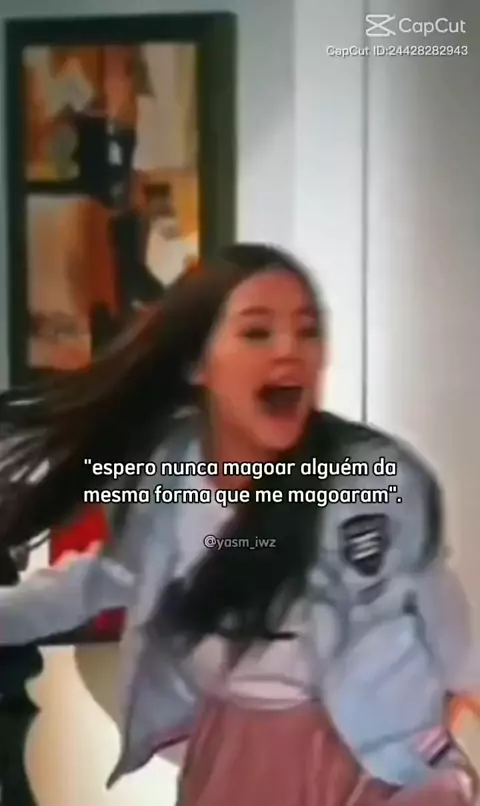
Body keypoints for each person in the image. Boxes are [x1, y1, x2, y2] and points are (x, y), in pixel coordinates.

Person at [0, 243, 477, 806]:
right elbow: (108, 578)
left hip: (375, 752)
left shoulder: (374, 475)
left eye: (307, 331)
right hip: (237, 754)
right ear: (197, 364)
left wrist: (467, 687)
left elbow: (430, 590)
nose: (290, 351)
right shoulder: (166, 478)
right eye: (257, 332)